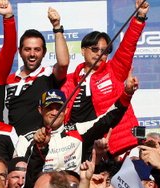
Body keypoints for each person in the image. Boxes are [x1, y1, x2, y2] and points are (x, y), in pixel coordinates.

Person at [61, 0, 149, 156]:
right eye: (94, 49)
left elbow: (127, 47)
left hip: (115, 146)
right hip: (78, 147)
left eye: (105, 50)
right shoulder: (69, 80)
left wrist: (139, 17)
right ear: (83, 50)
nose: (99, 53)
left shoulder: (114, 70)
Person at [5, 8, 70, 137]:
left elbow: (63, 64)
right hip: (13, 145)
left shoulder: (48, 75)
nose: (32, 54)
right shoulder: (8, 80)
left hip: (41, 143)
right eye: (27, 49)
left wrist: (57, 27)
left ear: (44, 52)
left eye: (37, 49)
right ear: (20, 51)